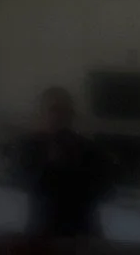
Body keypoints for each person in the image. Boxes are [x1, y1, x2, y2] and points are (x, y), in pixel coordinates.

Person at [11, 86, 113, 238]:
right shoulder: (27, 146)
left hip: (83, 234)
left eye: (67, 110)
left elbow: (106, 191)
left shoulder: (90, 148)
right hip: (43, 234)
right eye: (55, 109)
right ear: (41, 112)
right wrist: (51, 164)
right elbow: (22, 182)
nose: (61, 116)